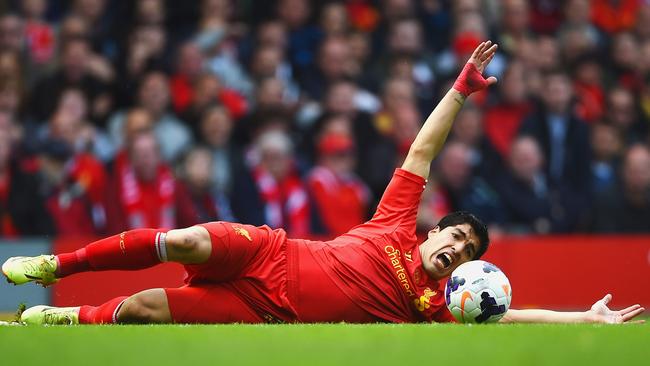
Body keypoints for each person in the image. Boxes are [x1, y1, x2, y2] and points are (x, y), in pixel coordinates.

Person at [2, 42, 644, 326]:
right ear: (437, 228)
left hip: (266, 310)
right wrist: (458, 91)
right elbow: (422, 150)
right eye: (456, 239)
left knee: (144, 309)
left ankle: (58, 317)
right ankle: (53, 265)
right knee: (186, 240)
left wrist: (583, 316)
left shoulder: (431, 306)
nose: (456, 252)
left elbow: (508, 318)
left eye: (468, 255)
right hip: (267, 250)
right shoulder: (396, 219)